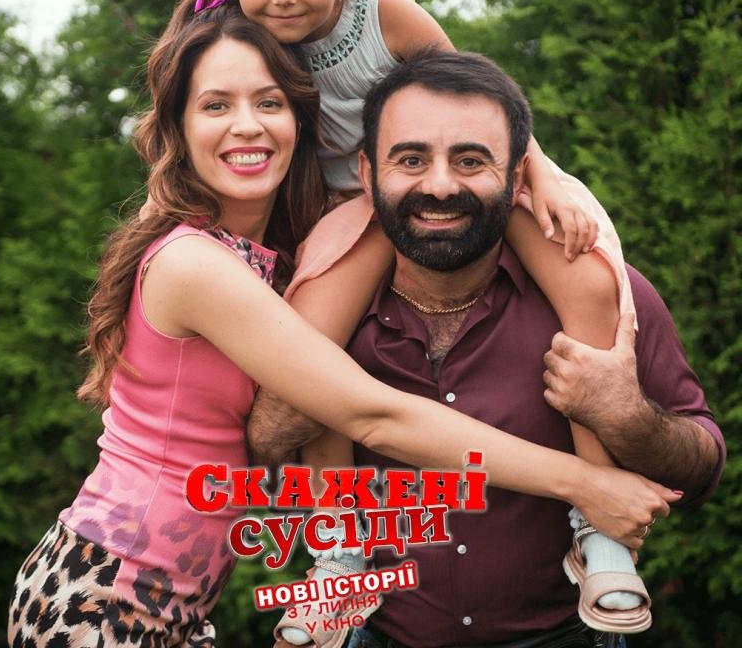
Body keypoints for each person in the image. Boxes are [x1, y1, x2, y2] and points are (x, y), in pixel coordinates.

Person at [6, 0, 677, 648]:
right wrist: (585, 484)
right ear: (178, 128)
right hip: (106, 596)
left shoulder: (271, 255)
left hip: (174, 599)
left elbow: (459, 130)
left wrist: (536, 172)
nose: (247, 125)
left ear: (302, 121)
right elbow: (372, 415)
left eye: (269, 102)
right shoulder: (192, 264)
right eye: (216, 105)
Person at [197, 0, 655, 634]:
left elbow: (482, 94)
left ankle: (599, 529)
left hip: (444, 176)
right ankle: (338, 551)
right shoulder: (238, 35)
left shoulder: (384, 14)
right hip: (349, 206)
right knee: (316, 357)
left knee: (582, 276)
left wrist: (539, 173)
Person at [248, 49, 725, 648]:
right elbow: (249, 456)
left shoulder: (602, 294)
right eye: (411, 159)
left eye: (470, 160)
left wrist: (627, 417)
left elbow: (702, 469)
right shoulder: (308, 308)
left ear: (519, 177)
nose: (440, 185)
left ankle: (596, 546)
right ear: (367, 174)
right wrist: (296, 397)